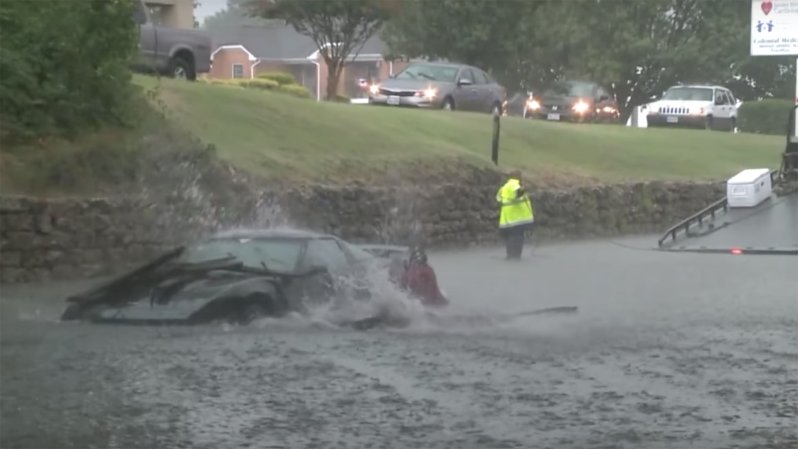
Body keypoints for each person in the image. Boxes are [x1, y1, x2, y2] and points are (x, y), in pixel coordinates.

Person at [496, 169, 535, 259]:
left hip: (507, 218)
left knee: (510, 238)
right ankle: (515, 256)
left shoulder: (504, 187)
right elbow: (518, 193)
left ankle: (510, 255)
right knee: (517, 237)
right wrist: (524, 189)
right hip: (517, 218)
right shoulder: (514, 184)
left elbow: (498, 198)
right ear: (518, 177)